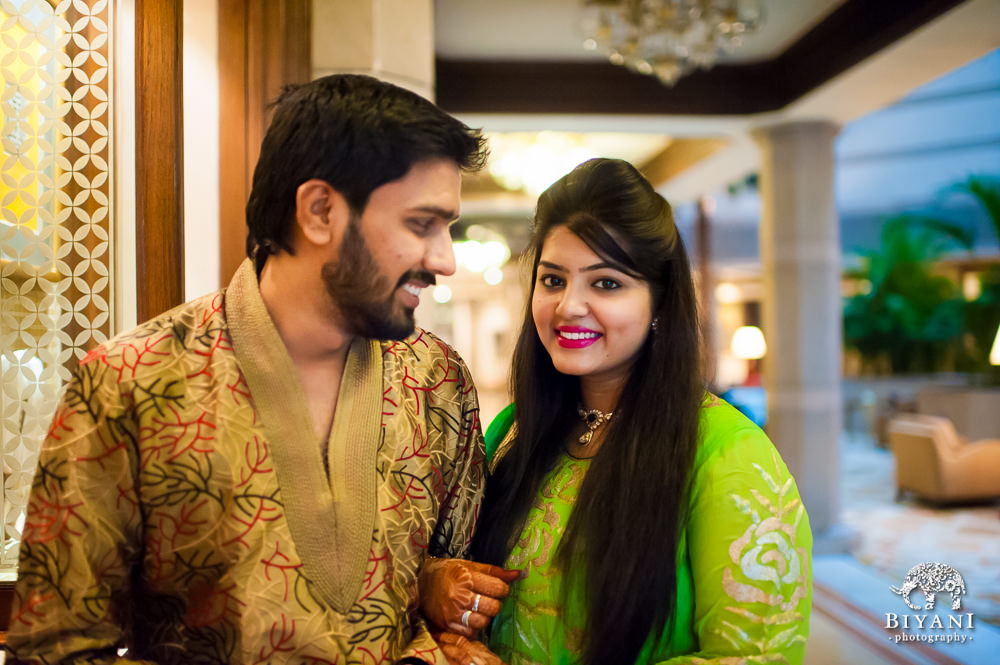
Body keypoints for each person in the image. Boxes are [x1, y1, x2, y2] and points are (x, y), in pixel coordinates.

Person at [7, 74, 492, 665]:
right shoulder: (130, 383)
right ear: (319, 212)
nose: (444, 259)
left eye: (449, 228)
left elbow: (456, 596)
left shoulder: (437, 378)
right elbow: (55, 648)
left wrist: (446, 615)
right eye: (422, 224)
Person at [425, 158, 812, 665]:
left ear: (658, 303)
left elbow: (758, 658)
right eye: (553, 280)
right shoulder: (514, 432)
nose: (568, 307)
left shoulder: (729, 455)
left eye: (606, 283)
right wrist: (440, 597)